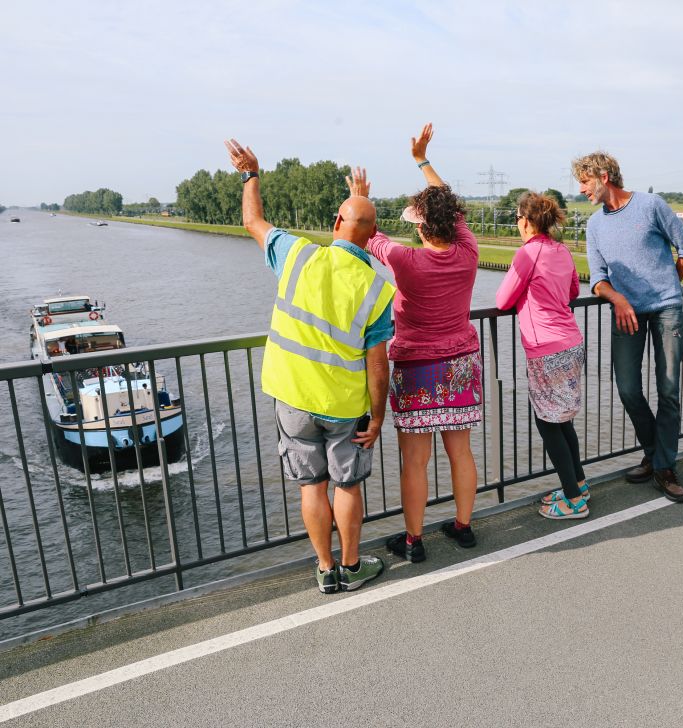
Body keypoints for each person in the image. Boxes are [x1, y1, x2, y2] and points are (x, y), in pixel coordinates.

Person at [224, 140, 392, 594]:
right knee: (347, 485)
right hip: (344, 405)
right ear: (373, 235)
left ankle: (324, 569)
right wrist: (377, 417)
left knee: (311, 487)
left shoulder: (297, 255)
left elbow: (252, 221)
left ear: (336, 222)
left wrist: (251, 175)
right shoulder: (377, 287)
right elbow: (379, 365)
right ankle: (353, 566)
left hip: (292, 398)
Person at [366, 124, 481, 562]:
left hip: (416, 368)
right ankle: (463, 527)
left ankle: (414, 542)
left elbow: (366, 231)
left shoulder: (405, 260)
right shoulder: (468, 250)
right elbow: (449, 204)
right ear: (452, 221)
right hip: (462, 364)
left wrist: (361, 194)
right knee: (460, 451)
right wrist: (423, 160)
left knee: (415, 461)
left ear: (420, 226)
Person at [573, 151, 683, 501]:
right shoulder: (595, 224)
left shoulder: (651, 205)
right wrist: (620, 299)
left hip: (666, 311)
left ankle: (663, 467)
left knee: (669, 389)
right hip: (625, 313)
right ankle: (656, 453)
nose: (582, 189)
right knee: (628, 387)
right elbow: (597, 278)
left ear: (603, 176)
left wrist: (669, 285)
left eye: (584, 182)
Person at [495, 192, 589, 518]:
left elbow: (503, 299)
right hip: (571, 342)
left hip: (545, 349)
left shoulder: (528, 253)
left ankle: (574, 501)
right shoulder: (561, 250)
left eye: (518, 218)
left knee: (548, 423)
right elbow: (574, 291)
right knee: (562, 420)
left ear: (526, 220)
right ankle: (577, 483)